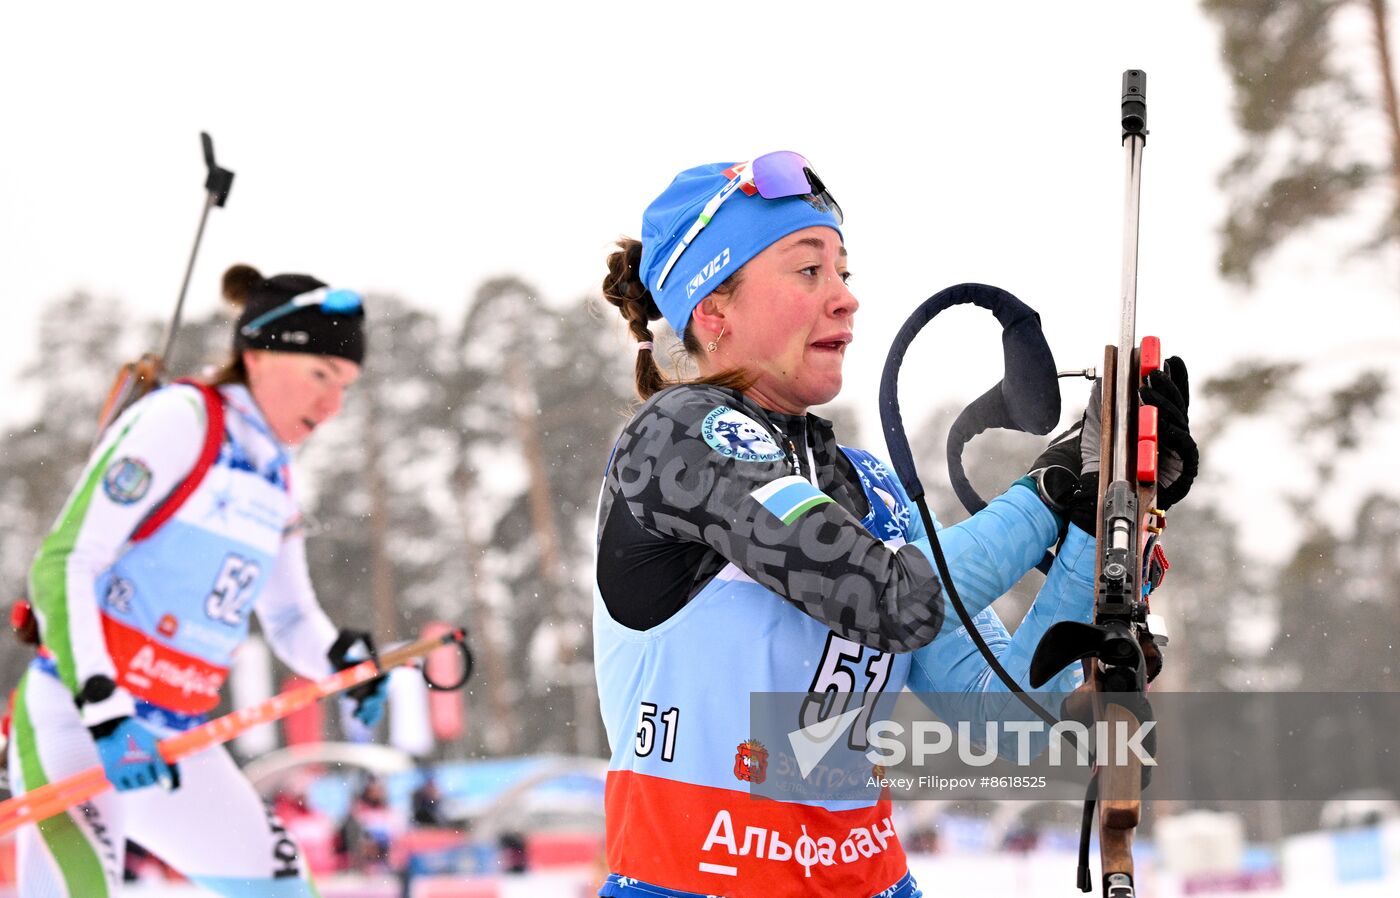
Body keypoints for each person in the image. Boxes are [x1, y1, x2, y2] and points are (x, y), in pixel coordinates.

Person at [593, 152, 1197, 898]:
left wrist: (1093, 525)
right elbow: (886, 596)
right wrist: (1054, 488)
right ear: (715, 311)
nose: (845, 299)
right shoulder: (676, 437)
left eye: (844, 272)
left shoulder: (867, 485)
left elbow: (1004, 714)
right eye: (808, 270)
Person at [8, 264, 387, 898]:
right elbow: (63, 561)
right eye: (321, 375)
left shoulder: (276, 472)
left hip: (179, 736)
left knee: (286, 891)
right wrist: (106, 713)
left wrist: (339, 661)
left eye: (345, 385)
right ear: (257, 356)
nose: (332, 405)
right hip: (81, 726)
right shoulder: (181, 419)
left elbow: (290, 617)